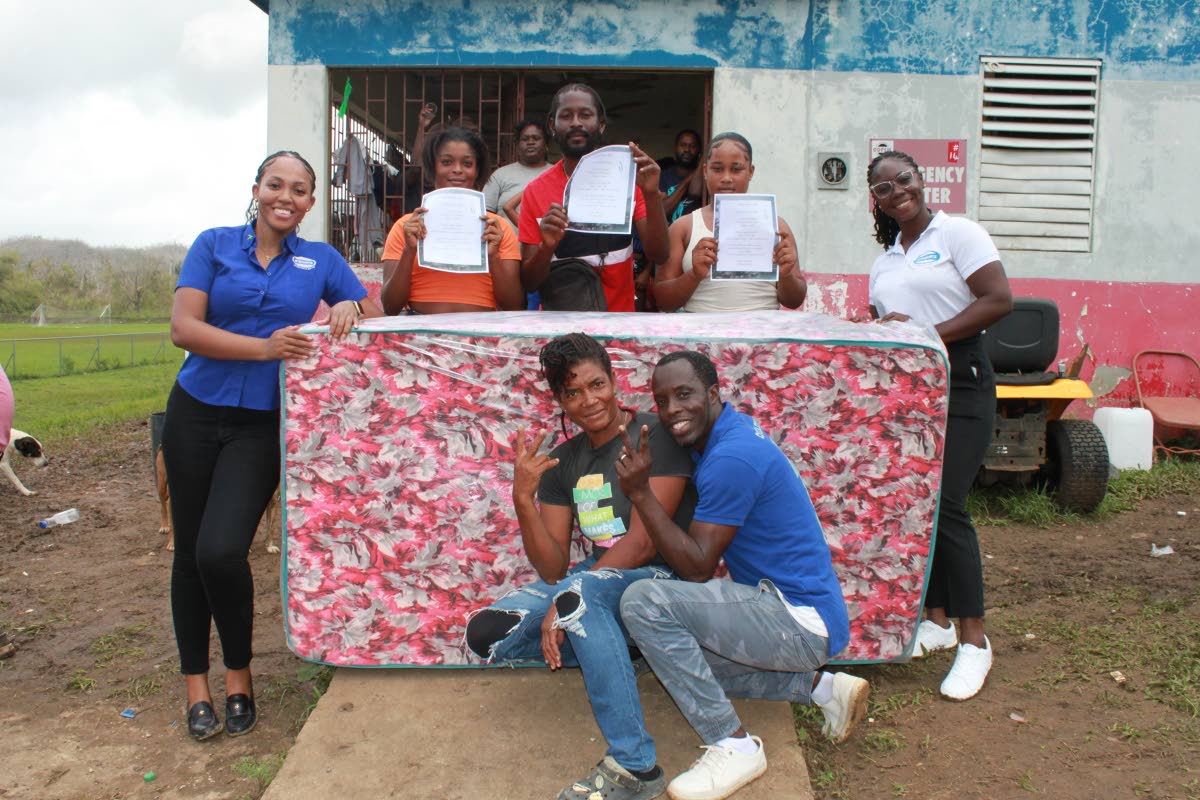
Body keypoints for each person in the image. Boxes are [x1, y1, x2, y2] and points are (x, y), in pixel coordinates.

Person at [165, 150, 378, 740]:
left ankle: (240, 675)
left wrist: (349, 302)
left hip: (260, 424)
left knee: (221, 550)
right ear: (257, 189)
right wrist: (265, 348)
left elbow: (373, 308)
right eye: (275, 184)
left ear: (312, 201)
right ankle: (197, 686)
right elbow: (184, 328)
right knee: (189, 553)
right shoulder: (213, 245)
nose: (286, 196)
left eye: (300, 189)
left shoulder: (321, 259)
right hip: (195, 412)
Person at [616, 351, 868, 800]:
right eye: (662, 400)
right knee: (668, 661)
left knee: (643, 603)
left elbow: (695, 569)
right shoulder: (730, 434)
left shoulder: (732, 456)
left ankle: (732, 744)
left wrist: (640, 493)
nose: (672, 409)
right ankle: (823, 688)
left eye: (684, 394)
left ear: (713, 393)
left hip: (798, 622)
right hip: (798, 615)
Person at [463, 333, 696, 800]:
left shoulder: (653, 435)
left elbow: (646, 542)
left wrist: (573, 597)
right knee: (487, 633)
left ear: (614, 381)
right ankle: (626, 647)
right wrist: (523, 498)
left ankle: (635, 768)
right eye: (573, 392)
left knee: (577, 603)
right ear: (560, 401)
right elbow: (551, 568)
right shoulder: (566, 461)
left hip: (662, 581)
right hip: (595, 578)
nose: (589, 400)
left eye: (597, 384)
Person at [865, 150, 1012, 701]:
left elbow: (999, 299)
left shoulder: (958, 233)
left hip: (963, 381)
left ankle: (975, 641)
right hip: (911, 392)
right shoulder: (887, 258)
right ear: (875, 199)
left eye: (903, 179)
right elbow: (892, 324)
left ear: (921, 180)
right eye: (883, 187)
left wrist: (928, 334)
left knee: (948, 504)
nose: (896, 190)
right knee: (919, 504)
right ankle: (939, 620)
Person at [518, 83, 670, 311]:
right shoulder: (535, 191)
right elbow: (530, 283)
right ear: (552, 125)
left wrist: (651, 196)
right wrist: (547, 247)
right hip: (560, 332)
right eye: (566, 116)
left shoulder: (629, 181)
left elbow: (659, 255)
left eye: (585, 115)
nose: (576, 122)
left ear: (600, 125)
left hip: (619, 326)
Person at [654, 132, 807, 313]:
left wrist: (786, 275)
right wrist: (694, 275)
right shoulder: (684, 227)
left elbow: (794, 300)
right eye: (717, 169)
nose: (726, 178)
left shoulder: (776, 226)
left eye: (736, 169)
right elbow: (663, 300)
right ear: (705, 171)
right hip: (703, 335)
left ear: (750, 172)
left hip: (761, 334)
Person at [381, 127, 525, 314]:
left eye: (467, 163)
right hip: (420, 334)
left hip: (483, 334)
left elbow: (514, 306)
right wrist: (409, 251)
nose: (457, 170)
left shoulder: (496, 229)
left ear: (477, 170)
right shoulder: (406, 226)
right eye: (447, 162)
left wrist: (493, 257)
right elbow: (390, 307)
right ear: (433, 168)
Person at [483, 119, 554, 229]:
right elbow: (485, 214)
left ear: (546, 143)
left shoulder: (557, 174)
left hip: (546, 245)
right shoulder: (500, 175)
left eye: (536, 138)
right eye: (525, 139)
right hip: (506, 245)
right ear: (517, 145)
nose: (530, 142)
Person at [657, 128, 704, 223]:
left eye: (693, 146)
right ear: (675, 148)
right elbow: (662, 212)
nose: (687, 150)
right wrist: (688, 181)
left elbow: (695, 193)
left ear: (699, 150)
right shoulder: (662, 177)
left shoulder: (703, 177)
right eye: (683, 145)